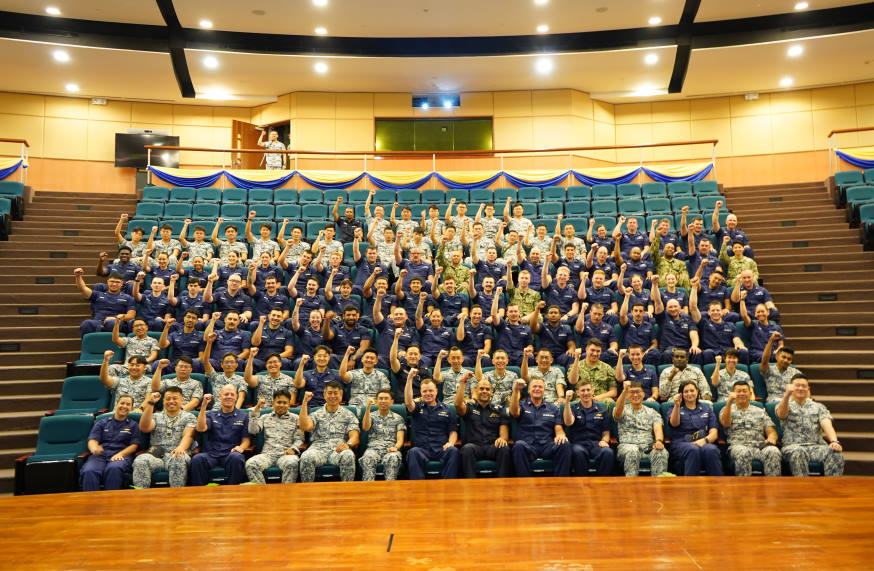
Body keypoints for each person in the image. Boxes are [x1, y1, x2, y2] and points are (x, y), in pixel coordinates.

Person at [776, 374, 844, 476]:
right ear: (790, 387)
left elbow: (826, 424)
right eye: (797, 385)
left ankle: (831, 489)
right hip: (793, 447)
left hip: (816, 446)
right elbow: (781, 414)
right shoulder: (784, 404)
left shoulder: (818, 406)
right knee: (798, 453)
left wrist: (834, 441)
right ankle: (803, 489)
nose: (800, 388)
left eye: (803, 386)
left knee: (835, 453)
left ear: (808, 389)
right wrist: (786, 395)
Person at [133, 388, 196, 488]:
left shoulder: (189, 416)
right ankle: (141, 498)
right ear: (163, 401)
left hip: (177, 453)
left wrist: (181, 448)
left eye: (175, 398)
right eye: (168, 399)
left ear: (182, 400)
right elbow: (144, 428)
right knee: (140, 460)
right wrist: (151, 403)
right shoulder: (156, 416)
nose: (171, 401)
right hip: (156, 455)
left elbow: (188, 435)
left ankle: (176, 498)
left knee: (178, 459)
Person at [299, 381, 360, 482]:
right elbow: (305, 426)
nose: (332, 396)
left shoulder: (349, 415)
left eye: (335, 393)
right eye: (329, 393)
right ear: (324, 395)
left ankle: (347, 491)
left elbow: (355, 437)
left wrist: (348, 444)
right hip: (318, 450)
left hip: (338, 450)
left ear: (341, 395)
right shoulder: (316, 413)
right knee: (306, 457)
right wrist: (305, 403)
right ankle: (308, 492)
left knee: (348, 455)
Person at [509, 377, 570, 477]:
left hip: (547, 445)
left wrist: (561, 435)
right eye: (534, 386)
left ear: (544, 390)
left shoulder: (553, 408)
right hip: (528, 445)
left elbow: (559, 429)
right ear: (528, 390)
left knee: (565, 444)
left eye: (540, 387)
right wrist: (516, 390)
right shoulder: (521, 405)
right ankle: (525, 485)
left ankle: (561, 483)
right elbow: (514, 412)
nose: (537, 389)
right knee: (519, 445)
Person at [719, 381, 781, 476]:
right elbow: (725, 423)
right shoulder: (726, 409)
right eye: (738, 391)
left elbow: (771, 431)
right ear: (733, 393)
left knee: (773, 451)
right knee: (744, 453)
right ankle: (744, 489)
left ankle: (772, 488)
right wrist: (729, 402)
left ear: (750, 394)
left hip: (759, 447)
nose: (742, 393)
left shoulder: (760, 411)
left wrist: (772, 438)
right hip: (738, 447)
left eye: (744, 391)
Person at [191, 387, 251, 485]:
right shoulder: (211, 415)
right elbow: (200, 428)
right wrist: (203, 406)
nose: (229, 397)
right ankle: (200, 494)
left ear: (236, 397)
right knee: (197, 459)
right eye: (226, 394)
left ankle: (234, 492)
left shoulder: (244, 416)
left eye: (232, 395)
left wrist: (241, 447)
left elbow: (246, 440)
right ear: (220, 396)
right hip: (211, 454)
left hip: (231, 453)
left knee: (236, 457)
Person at [405, 372, 459, 480]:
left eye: (431, 390)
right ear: (421, 392)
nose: (428, 393)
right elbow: (408, 402)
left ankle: (448, 485)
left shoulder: (447, 409)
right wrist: (409, 378)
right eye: (424, 391)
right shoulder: (417, 407)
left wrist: (451, 443)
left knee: (453, 451)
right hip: (422, 449)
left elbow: (453, 431)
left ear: (436, 391)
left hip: (441, 448)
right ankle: (418, 489)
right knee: (413, 452)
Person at [80, 395, 140, 491]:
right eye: (122, 403)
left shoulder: (133, 425)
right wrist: (94, 448)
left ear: (131, 408)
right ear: (116, 404)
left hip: (122, 455)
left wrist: (120, 454)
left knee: (114, 469)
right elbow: (92, 440)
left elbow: (134, 445)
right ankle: (90, 503)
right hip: (100, 455)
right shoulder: (102, 422)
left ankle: (112, 503)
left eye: (128, 404)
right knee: (89, 470)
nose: (124, 406)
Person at [455, 375, 511, 478]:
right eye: (481, 389)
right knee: (467, 449)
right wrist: (463, 381)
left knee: (504, 448)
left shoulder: (498, 409)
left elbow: (504, 433)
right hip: (474, 447)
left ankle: (502, 484)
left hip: (492, 446)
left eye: (487, 389)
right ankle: (470, 485)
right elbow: (458, 405)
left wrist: (502, 439)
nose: (484, 391)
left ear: (491, 392)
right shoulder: (470, 407)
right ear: (476, 391)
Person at [245, 389, 305, 484]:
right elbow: (253, 430)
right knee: (250, 464)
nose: (281, 405)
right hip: (267, 454)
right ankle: (263, 494)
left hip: (286, 454)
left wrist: (293, 449)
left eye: (285, 403)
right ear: (273, 403)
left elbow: (300, 439)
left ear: (289, 404)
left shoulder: (296, 418)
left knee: (292, 463)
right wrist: (257, 409)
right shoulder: (265, 417)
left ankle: (286, 495)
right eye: (279, 402)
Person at [612, 381, 669, 476]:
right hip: (627, 448)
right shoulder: (622, 409)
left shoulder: (652, 412)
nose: (635, 395)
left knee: (661, 452)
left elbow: (658, 428)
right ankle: (632, 487)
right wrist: (624, 391)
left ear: (643, 394)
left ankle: (659, 486)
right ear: (627, 395)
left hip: (649, 448)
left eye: (638, 392)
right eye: (632, 392)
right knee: (632, 451)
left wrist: (659, 441)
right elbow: (617, 414)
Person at [667, 381, 724, 476]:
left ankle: (717, 486)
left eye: (692, 390)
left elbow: (714, 433)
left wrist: (704, 441)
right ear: (681, 394)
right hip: (681, 443)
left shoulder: (706, 409)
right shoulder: (673, 407)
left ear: (697, 392)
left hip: (704, 442)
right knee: (693, 449)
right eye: (686, 391)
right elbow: (674, 424)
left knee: (712, 450)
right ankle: (691, 488)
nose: (689, 393)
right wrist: (677, 405)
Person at [689, 278, 748, 365]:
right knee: (707, 352)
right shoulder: (704, 323)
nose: (715, 312)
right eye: (713, 310)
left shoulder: (730, 325)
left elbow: (736, 338)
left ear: (722, 311)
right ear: (708, 312)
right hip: (711, 353)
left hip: (728, 352)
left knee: (743, 351)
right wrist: (694, 287)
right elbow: (693, 307)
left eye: (717, 310)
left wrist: (740, 345)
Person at [562, 382, 614, 477]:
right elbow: (568, 422)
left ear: (592, 391)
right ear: (577, 393)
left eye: (588, 390)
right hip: (578, 444)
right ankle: (582, 484)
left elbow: (606, 433)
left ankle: (603, 484)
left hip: (596, 444)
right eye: (582, 390)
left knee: (608, 452)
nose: (586, 393)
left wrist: (604, 441)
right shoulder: (573, 408)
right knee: (578, 452)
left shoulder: (602, 409)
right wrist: (567, 401)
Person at [651, 275, 702, 365]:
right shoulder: (663, 317)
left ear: (680, 308)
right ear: (666, 308)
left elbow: (693, 333)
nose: (673, 309)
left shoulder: (687, 318)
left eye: (675, 306)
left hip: (685, 349)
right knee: (668, 353)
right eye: (670, 307)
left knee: (696, 353)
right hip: (669, 349)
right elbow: (658, 302)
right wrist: (655, 284)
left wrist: (694, 346)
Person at [360, 390, 406, 481]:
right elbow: (365, 427)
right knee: (368, 457)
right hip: (373, 449)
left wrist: (395, 448)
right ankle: (368, 489)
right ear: (376, 401)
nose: (383, 401)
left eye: (386, 399)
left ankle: (390, 489)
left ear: (391, 401)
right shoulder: (371, 416)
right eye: (380, 399)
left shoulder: (398, 418)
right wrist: (368, 407)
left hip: (391, 449)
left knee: (393, 457)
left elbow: (400, 439)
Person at [75, 268, 136, 336]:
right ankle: (90, 345)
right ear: (107, 282)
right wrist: (78, 276)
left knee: (111, 323)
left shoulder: (128, 298)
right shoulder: (98, 295)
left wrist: (116, 318)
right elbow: (83, 289)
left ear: (121, 283)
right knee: (86, 323)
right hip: (98, 322)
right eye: (112, 281)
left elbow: (131, 315)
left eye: (117, 282)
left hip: (116, 322)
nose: (114, 284)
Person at [202, 333, 248, 409]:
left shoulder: (241, 380)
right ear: (221, 365)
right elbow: (206, 362)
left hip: (233, 409)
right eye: (226, 362)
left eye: (232, 362)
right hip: (216, 410)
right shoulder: (215, 377)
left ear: (236, 365)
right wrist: (209, 343)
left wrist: (234, 412)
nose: (229, 365)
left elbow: (241, 398)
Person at [339, 347, 390, 411]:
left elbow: (386, 393)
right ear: (362, 359)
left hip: (373, 408)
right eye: (367, 357)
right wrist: (347, 354)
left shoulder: (381, 375)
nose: (369, 360)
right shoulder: (354, 373)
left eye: (372, 358)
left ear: (376, 361)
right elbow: (342, 375)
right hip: (355, 407)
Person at [491, 292, 534, 367]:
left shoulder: (527, 329)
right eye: (511, 311)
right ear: (507, 314)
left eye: (515, 311)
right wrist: (497, 295)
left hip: (520, 356)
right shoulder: (502, 325)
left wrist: (529, 349)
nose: (513, 314)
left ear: (519, 313)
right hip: (504, 357)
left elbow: (530, 345)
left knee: (530, 357)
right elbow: (494, 315)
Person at [567, 340, 617, 404]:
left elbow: (613, 391)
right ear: (587, 349)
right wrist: (577, 359)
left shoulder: (607, 368)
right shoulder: (576, 366)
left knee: (610, 402)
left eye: (598, 351)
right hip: (581, 398)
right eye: (592, 350)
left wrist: (600, 397)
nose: (595, 354)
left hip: (602, 399)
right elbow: (572, 381)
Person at [531, 303, 576, 369]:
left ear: (560, 316)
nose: (553, 315)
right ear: (547, 316)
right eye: (551, 313)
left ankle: (568, 378)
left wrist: (571, 349)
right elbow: (533, 327)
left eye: (555, 313)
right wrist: (537, 309)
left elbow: (571, 344)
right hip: (546, 355)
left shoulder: (566, 329)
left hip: (560, 355)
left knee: (571, 356)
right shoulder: (542, 326)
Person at [760, 333, 799, 402]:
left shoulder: (796, 373)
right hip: (774, 401)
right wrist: (771, 340)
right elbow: (765, 361)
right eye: (783, 357)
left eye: (789, 359)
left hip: (792, 401)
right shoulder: (769, 370)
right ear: (776, 357)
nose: (786, 360)